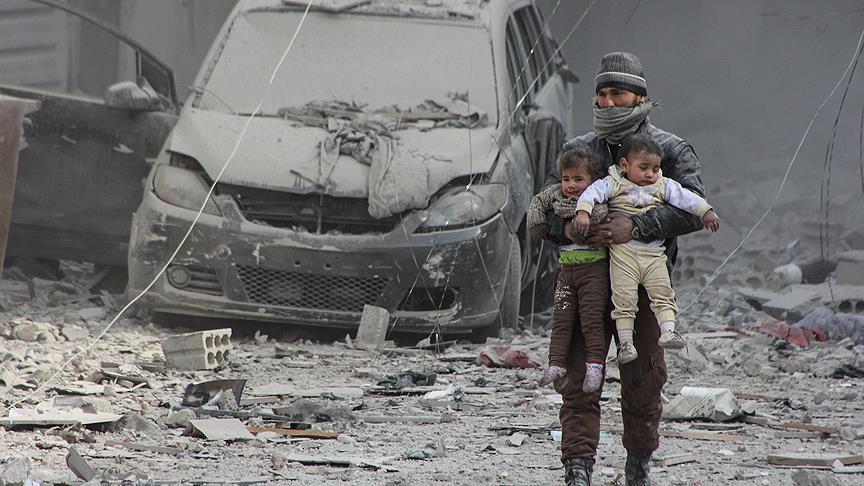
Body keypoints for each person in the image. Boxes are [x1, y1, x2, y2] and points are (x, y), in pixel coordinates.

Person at [554, 51, 712, 486]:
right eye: (601, 94)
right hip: (584, 279)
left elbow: (696, 209)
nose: (607, 103)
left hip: (643, 283)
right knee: (577, 376)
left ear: (640, 98)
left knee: (642, 379)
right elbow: (546, 208)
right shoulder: (579, 151)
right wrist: (571, 226)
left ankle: (638, 466)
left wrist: (636, 226)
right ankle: (578, 468)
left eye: (618, 94)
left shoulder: (671, 151)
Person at [573, 133, 719, 364]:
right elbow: (591, 194)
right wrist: (583, 212)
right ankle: (625, 344)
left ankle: (669, 331)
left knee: (663, 293)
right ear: (625, 165)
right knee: (624, 299)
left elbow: (686, 198)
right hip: (623, 256)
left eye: (655, 168)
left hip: (654, 255)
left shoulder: (663, 184)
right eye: (644, 168)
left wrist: (706, 211)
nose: (650, 174)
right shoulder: (613, 182)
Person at [527, 147, 609, 393]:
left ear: (593, 181)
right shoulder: (556, 195)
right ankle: (556, 363)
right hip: (566, 272)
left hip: (593, 272)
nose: (571, 185)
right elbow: (538, 202)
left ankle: (595, 365)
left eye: (578, 179)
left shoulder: (599, 196)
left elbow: (599, 215)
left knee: (591, 319)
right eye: (566, 179)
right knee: (561, 319)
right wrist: (539, 224)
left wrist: (569, 213)